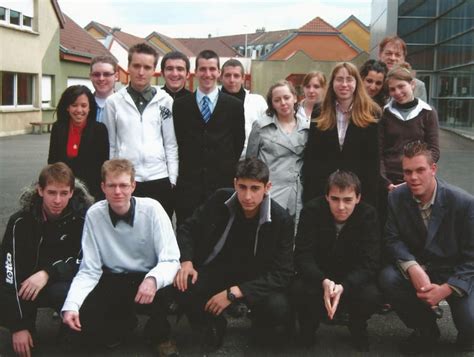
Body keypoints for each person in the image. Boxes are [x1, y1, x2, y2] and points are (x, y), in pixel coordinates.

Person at [172, 158, 294, 352]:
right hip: (220, 270)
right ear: (235, 183)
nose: (247, 196)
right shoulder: (220, 198)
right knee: (182, 282)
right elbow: (187, 229)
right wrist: (186, 261)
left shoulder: (281, 219)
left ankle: (260, 325)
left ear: (267, 187)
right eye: (242, 187)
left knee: (278, 307)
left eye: (255, 188)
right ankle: (212, 322)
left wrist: (234, 293)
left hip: (256, 278)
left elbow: (282, 273)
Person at [61, 159, 180, 355]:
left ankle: (160, 335)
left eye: (123, 185)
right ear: (103, 187)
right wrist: (72, 305)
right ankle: (122, 323)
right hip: (113, 279)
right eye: (112, 186)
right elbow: (89, 269)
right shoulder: (94, 214)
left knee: (164, 287)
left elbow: (170, 259)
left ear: (133, 185)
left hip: (147, 278)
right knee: (82, 334)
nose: (118, 192)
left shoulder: (153, 210)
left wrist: (153, 279)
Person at [379, 141, 474, 354]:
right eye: (407, 172)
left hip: (454, 273)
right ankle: (426, 329)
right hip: (421, 268)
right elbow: (392, 239)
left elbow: (472, 258)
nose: (413, 177)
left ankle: (467, 333)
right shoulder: (396, 197)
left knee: (471, 324)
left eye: (420, 170)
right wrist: (412, 267)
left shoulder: (464, 202)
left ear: (433, 169)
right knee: (388, 277)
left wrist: (446, 289)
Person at [0, 163, 93, 357]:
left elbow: (86, 263)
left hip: (60, 283)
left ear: (71, 192)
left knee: (75, 289)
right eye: (51, 192)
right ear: (40, 190)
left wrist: (48, 273)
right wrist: (18, 327)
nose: (57, 200)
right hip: (26, 285)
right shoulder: (20, 222)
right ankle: (26, 324)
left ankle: (69, 328)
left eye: (63, 193)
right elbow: (9, 273)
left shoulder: (83, 219)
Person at [293, 170, 381, 351]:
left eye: (348, 200)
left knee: (372, 294)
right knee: (298, 288)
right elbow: (303, 255)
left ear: (358, 198)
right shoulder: (311, 210)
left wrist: (345, 285)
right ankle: (308, 326)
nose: (341, 206)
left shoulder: (368, 214)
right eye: (335, 199)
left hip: (350, 277)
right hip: (320, 275)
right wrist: (323, 281)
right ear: (326, 196)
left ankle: (357, 325)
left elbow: (370, 262)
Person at [103, 43, 178, 218]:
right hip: (127, 180)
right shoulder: (113, 102)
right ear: (128, 67)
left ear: (154, 70)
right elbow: (111, 145)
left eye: (147, 67)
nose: (141, 72)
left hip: (159, 178)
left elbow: (170, 143)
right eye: (136, 66)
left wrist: (172, 179)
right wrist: (112, 179)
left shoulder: (165, 101)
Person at [173, 50, 245, 226]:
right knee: (188, 233)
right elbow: (178, 141)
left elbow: (238, 142)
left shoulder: (234, 106)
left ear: (219, 72)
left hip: (222, 184)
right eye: (203, 69)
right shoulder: (181, 105)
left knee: (220, 234)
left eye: (212, 69)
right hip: (189, 186)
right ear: (195, 72)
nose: (207, 74)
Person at [302, 62, 381, 206]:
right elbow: (312, 156)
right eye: (339, 79)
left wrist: (367, 199)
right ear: (332, 83)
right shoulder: (320, 110)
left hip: (358, 192)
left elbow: (373, 161)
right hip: (324, 190)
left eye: (349, 79)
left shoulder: (371, 112)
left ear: (357, 83)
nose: (344, 84)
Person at [246, 80, 308, 222]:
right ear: (272, 103)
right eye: (277, 100)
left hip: (297, 193)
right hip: (271, 190)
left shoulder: (307, 127)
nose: (283, 103)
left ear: (295, 98)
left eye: (286, 97)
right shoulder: (261, 126)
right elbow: (251, 163)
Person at [379, 63, 440, 192]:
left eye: (401, 86)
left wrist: (418, 173)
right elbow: (379, 152)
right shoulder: (384, 114)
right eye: (392, 89)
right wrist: (385, 182)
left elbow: (434, 150)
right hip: (391, 181)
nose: (397, 92)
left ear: (412, 84)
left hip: (419, 180)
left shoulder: (428, 112)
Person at [48, 85, 109, 200]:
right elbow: (52, 161)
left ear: (90, 108)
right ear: (67, 107)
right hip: (63, 190)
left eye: (84, 106)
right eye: (74, 105)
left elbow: (103, 165)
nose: (79, 110)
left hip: (92, 191)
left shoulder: (99, 130)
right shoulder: (58, 128)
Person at [220, 59, 267, 157]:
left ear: (243, 78)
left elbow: (267, 133)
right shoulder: (211, 100)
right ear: (221, 77)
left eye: (236, 76)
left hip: (249, 160)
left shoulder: (257, 102)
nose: (232, 80)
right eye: (228, 75)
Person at [378, 35, 427, 102]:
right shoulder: (372, 83)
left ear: (404, 58)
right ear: (380, 54)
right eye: (388, 53)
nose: (392, 58)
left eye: (397, 55)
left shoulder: (418, 86)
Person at [89, 55, 118, 122]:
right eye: (96, 74)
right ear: (90, 77)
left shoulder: (125, 107)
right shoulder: (82, 107)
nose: (101, 79)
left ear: (116, 76)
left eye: (106, 74)